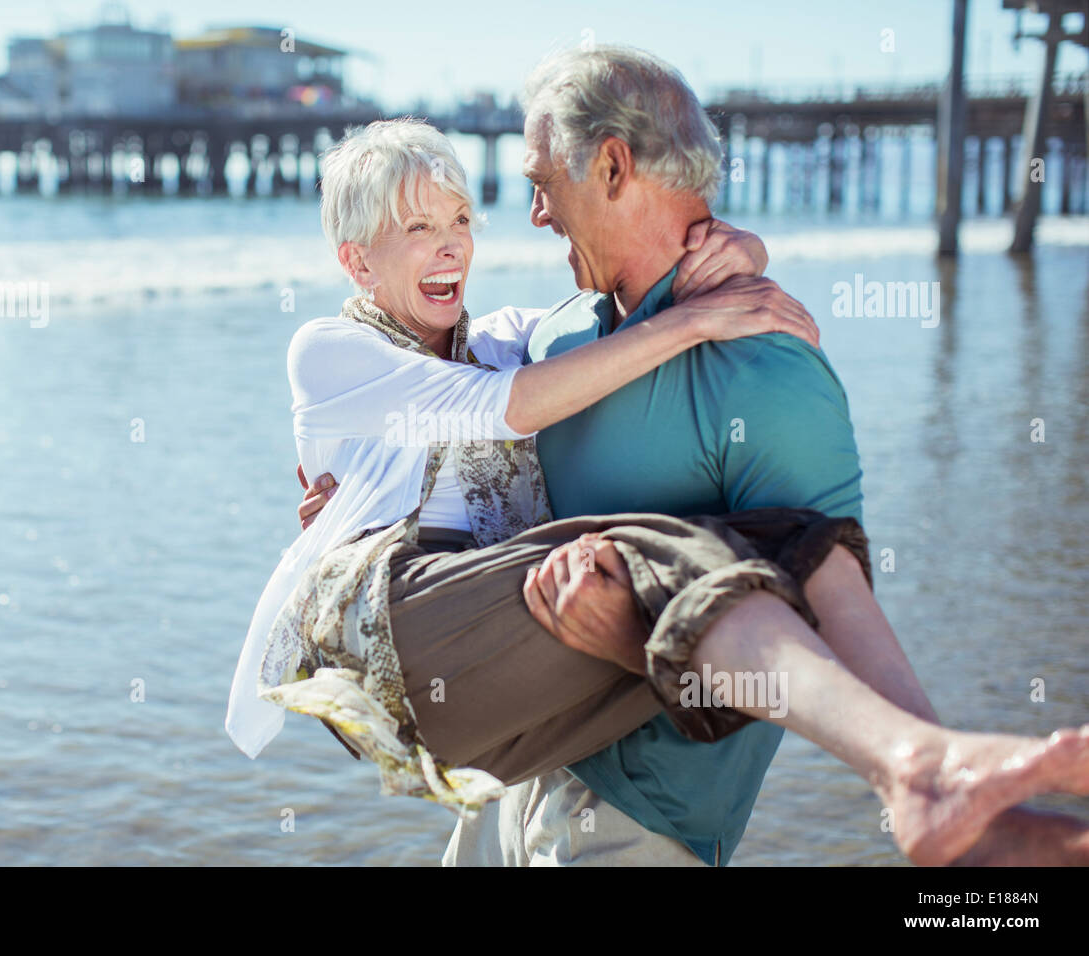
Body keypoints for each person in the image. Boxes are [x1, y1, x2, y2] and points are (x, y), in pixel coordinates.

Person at [236, 115, 1089, 868]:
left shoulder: (498, 339)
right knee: (670, 550)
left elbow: (615, 312)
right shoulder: (327, 350)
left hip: (477, 672)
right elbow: (514, 406)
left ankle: (943, 781)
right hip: (388, 635)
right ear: (356, 259)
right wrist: (701, 319)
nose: (452, 245)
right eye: (417, 227)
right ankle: (918, 771)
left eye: (460, 220)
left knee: (772, 540)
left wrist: (734, 254)